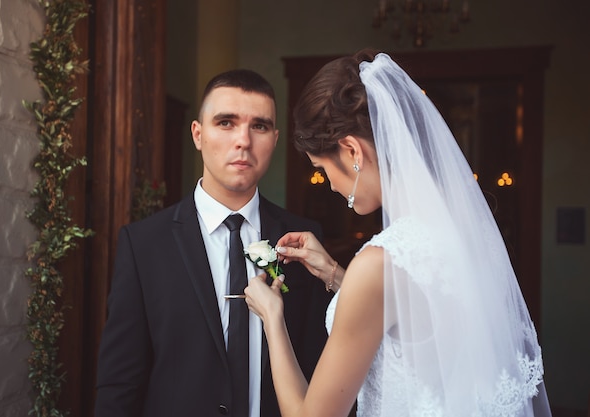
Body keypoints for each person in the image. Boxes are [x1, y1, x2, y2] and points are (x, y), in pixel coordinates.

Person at [244, 49, 552, 417]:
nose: (329, 185)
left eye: (323, 169)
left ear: (352, 151)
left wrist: (272, 318)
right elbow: (416, 329)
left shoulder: (377, 265)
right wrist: (334, 274)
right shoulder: (460, 233)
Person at [94, 69, 332, 417]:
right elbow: (120, 382)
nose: (243, 141)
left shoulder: (305, 240)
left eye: (259, 126)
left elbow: (318, 364)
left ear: (275, 139)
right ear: (198, 134)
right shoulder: (143, 244)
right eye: (226, 123)